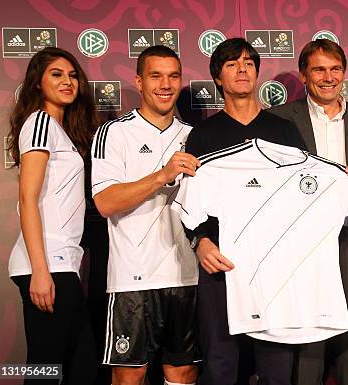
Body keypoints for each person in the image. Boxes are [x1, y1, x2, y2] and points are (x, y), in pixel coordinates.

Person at [184, 37, 307, 385]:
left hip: (274, 269)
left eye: (249, 63)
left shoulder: (284, 131)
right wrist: (202, 243)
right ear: (218, 79)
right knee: (221, 367)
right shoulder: (202, 136)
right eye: (232, 64)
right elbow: (189, 203)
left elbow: (303, 197)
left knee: (277, 370)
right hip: (221, 267)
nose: (242, 69)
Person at [268, 39, 348, 385]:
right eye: (319, 69)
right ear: (304, 74)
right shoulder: (279, 120)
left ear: (344, 74)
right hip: (301, 246)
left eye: (335, 69)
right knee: (307, 341)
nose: (328, 77)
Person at [90, 45, 199, 385]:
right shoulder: (114, 133)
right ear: (138, 81)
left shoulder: (195, 136)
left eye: (173, 76)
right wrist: (162, 176)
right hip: (132, 280)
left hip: (187, 277)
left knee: (183, 372)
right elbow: (105, 202)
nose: (165, 84)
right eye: (156, 75)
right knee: (129, 376)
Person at [7, 47, 99, 385]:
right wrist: (41, 271)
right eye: (56, 74)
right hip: (48, 265)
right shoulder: (41, 122)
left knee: (81, 369)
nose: (68, 81)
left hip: (62, 265)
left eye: (73, 75)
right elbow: (27, 199)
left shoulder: (59, 131)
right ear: (37, 84)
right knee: (45, 371)